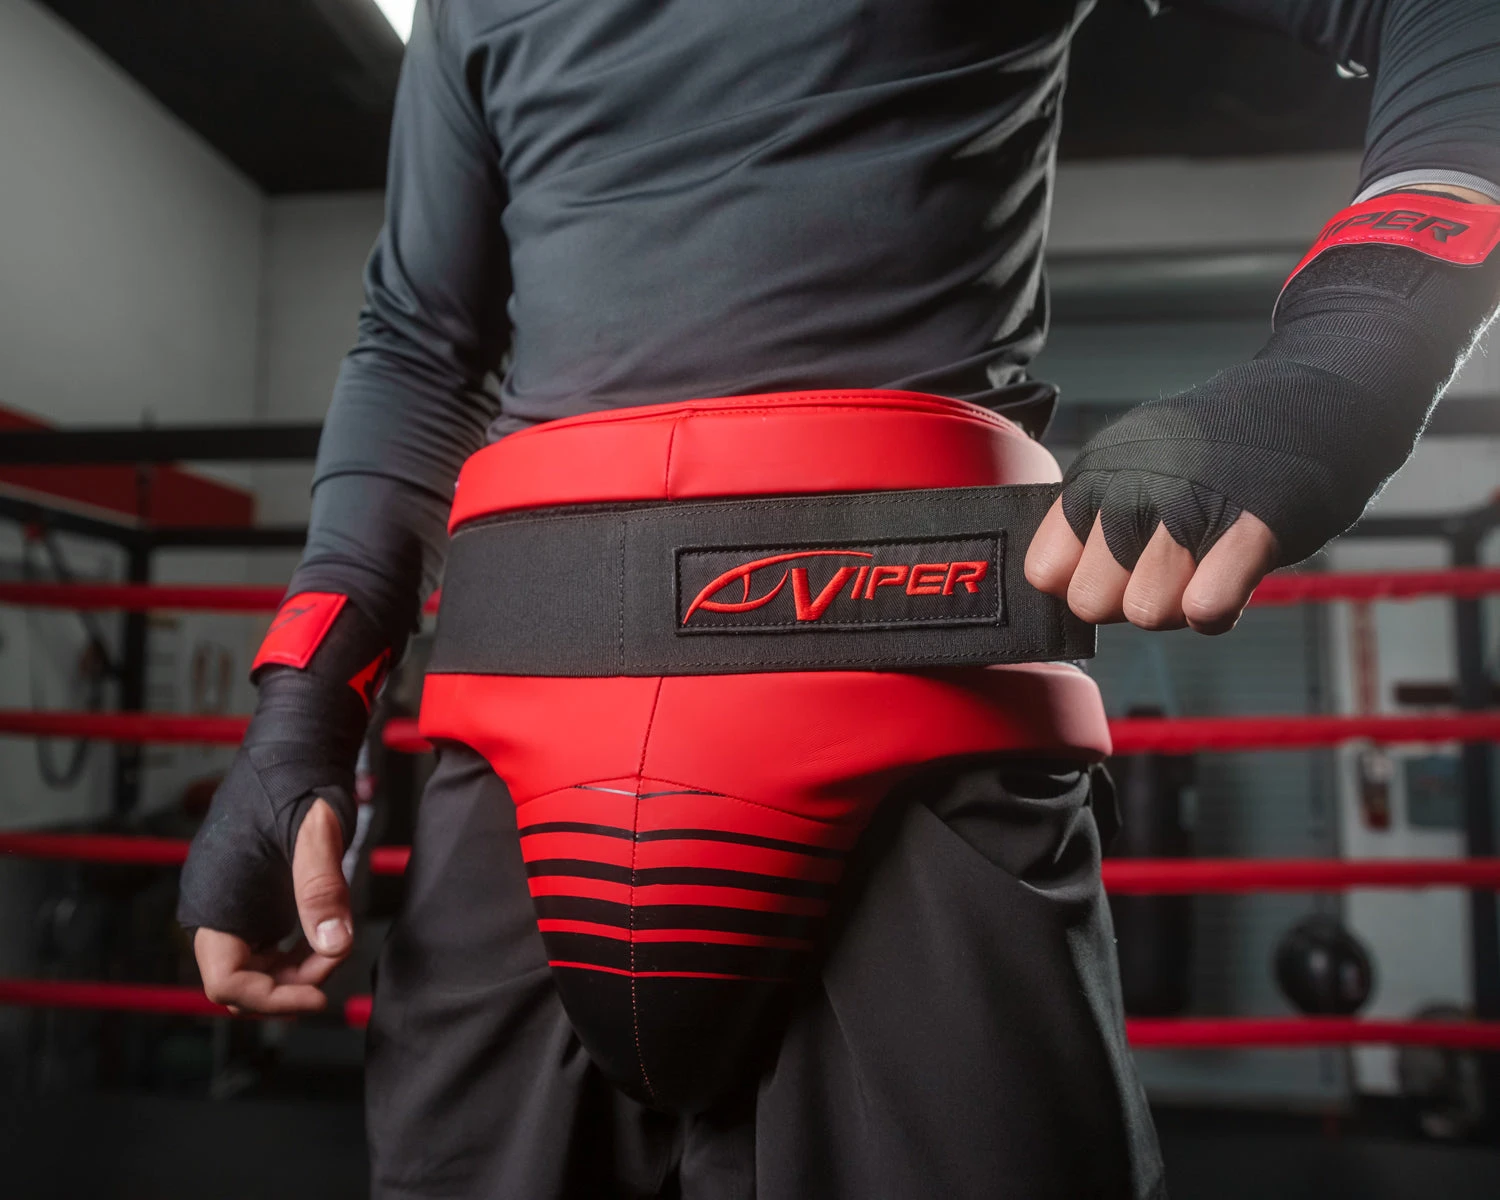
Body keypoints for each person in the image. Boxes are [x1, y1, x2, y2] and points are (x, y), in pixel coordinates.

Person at [179, 1, 1500, 1196]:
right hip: (522, 731)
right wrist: (301, 716)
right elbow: (417, 345)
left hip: (913, 706)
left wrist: (1343, 364)